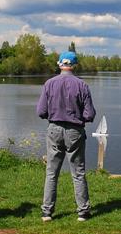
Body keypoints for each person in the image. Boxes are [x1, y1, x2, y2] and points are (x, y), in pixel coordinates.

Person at [36, 51, 96, 222]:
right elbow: (90, 114)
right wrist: (79, 119)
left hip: (54, 129)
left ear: (59, 64)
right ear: (74, 65)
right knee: (78, 173)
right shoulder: (82, 85)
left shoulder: (49, 83)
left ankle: (47, 212)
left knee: (51, 173)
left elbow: (41, 111)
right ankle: (83, 212)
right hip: (75, 131)